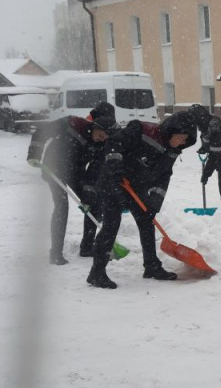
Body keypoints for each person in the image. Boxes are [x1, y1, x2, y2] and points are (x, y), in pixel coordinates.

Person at [87, 111, 197, 289]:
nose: (183, 143)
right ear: (172, 130)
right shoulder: (141, 130)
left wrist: (156, 199)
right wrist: (115, 166)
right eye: (182, 138)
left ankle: (151, 267)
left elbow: (165, 175)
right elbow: (114, 142)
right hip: (113, 182)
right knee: (111, 225)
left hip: (136, 187)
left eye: (186, 141)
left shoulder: (172, 150)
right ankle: (96, 273)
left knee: (147, 221)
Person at [27, 102, 118, 265]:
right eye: (101, 134)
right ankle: (55, 253)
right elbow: (42, 131)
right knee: (62, 206)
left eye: (105, 138)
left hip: (76, 171)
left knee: (94, 204)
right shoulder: (72, 123)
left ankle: (87, 247)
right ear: (95, 126)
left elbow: (94, 171)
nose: (101, 139)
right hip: (54, 167)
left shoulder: (102, 144)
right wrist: (34, 154)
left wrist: (88, 193)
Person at [187, 103, 221, 202]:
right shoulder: (206, 124)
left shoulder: (215, 126)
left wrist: (206, 174)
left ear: (199, 118)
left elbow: (214, 156)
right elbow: (208, 141)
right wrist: (205, 148)